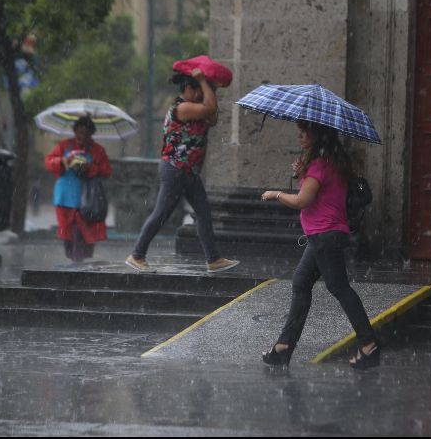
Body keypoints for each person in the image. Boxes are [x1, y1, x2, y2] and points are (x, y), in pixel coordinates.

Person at [260, 121, 380, 369]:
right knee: (301, 283)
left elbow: (303, 200)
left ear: (319, 135)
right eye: (300, 129)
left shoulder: (318, 165)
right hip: (325, 236)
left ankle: (369, 345)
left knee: (339, 288)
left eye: (306, 130)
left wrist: (276, 194)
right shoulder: (331, 163)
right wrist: (303, 173)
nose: (300, 134)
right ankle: (284, 346)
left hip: (325, 236)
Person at [125, 68, 239, 273]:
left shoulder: (197, 110)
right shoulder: (182, 108)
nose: (201, 96)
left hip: (190, 172)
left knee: (203, 213)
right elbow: (210, 109)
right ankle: (137, 254)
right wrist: (204, 81)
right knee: (161, 213)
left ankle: (213, 259)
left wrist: (208, 86)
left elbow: (212, 116)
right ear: (187, 89)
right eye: (198, 91)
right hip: (175, 169)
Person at [45, 116, 112, 262]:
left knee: (82, 230)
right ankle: (74, 258)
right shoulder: (64, 146)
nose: (82, 136)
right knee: (67, 231)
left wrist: (90, 168)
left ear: (91, 133)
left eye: (86, 133)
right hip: (65, 196)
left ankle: (78, 260)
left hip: (87, 197)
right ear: (75, 131)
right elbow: (50, 161)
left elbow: (107, 170)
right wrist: (63, 161)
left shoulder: (97, 150)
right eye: (80, 132)